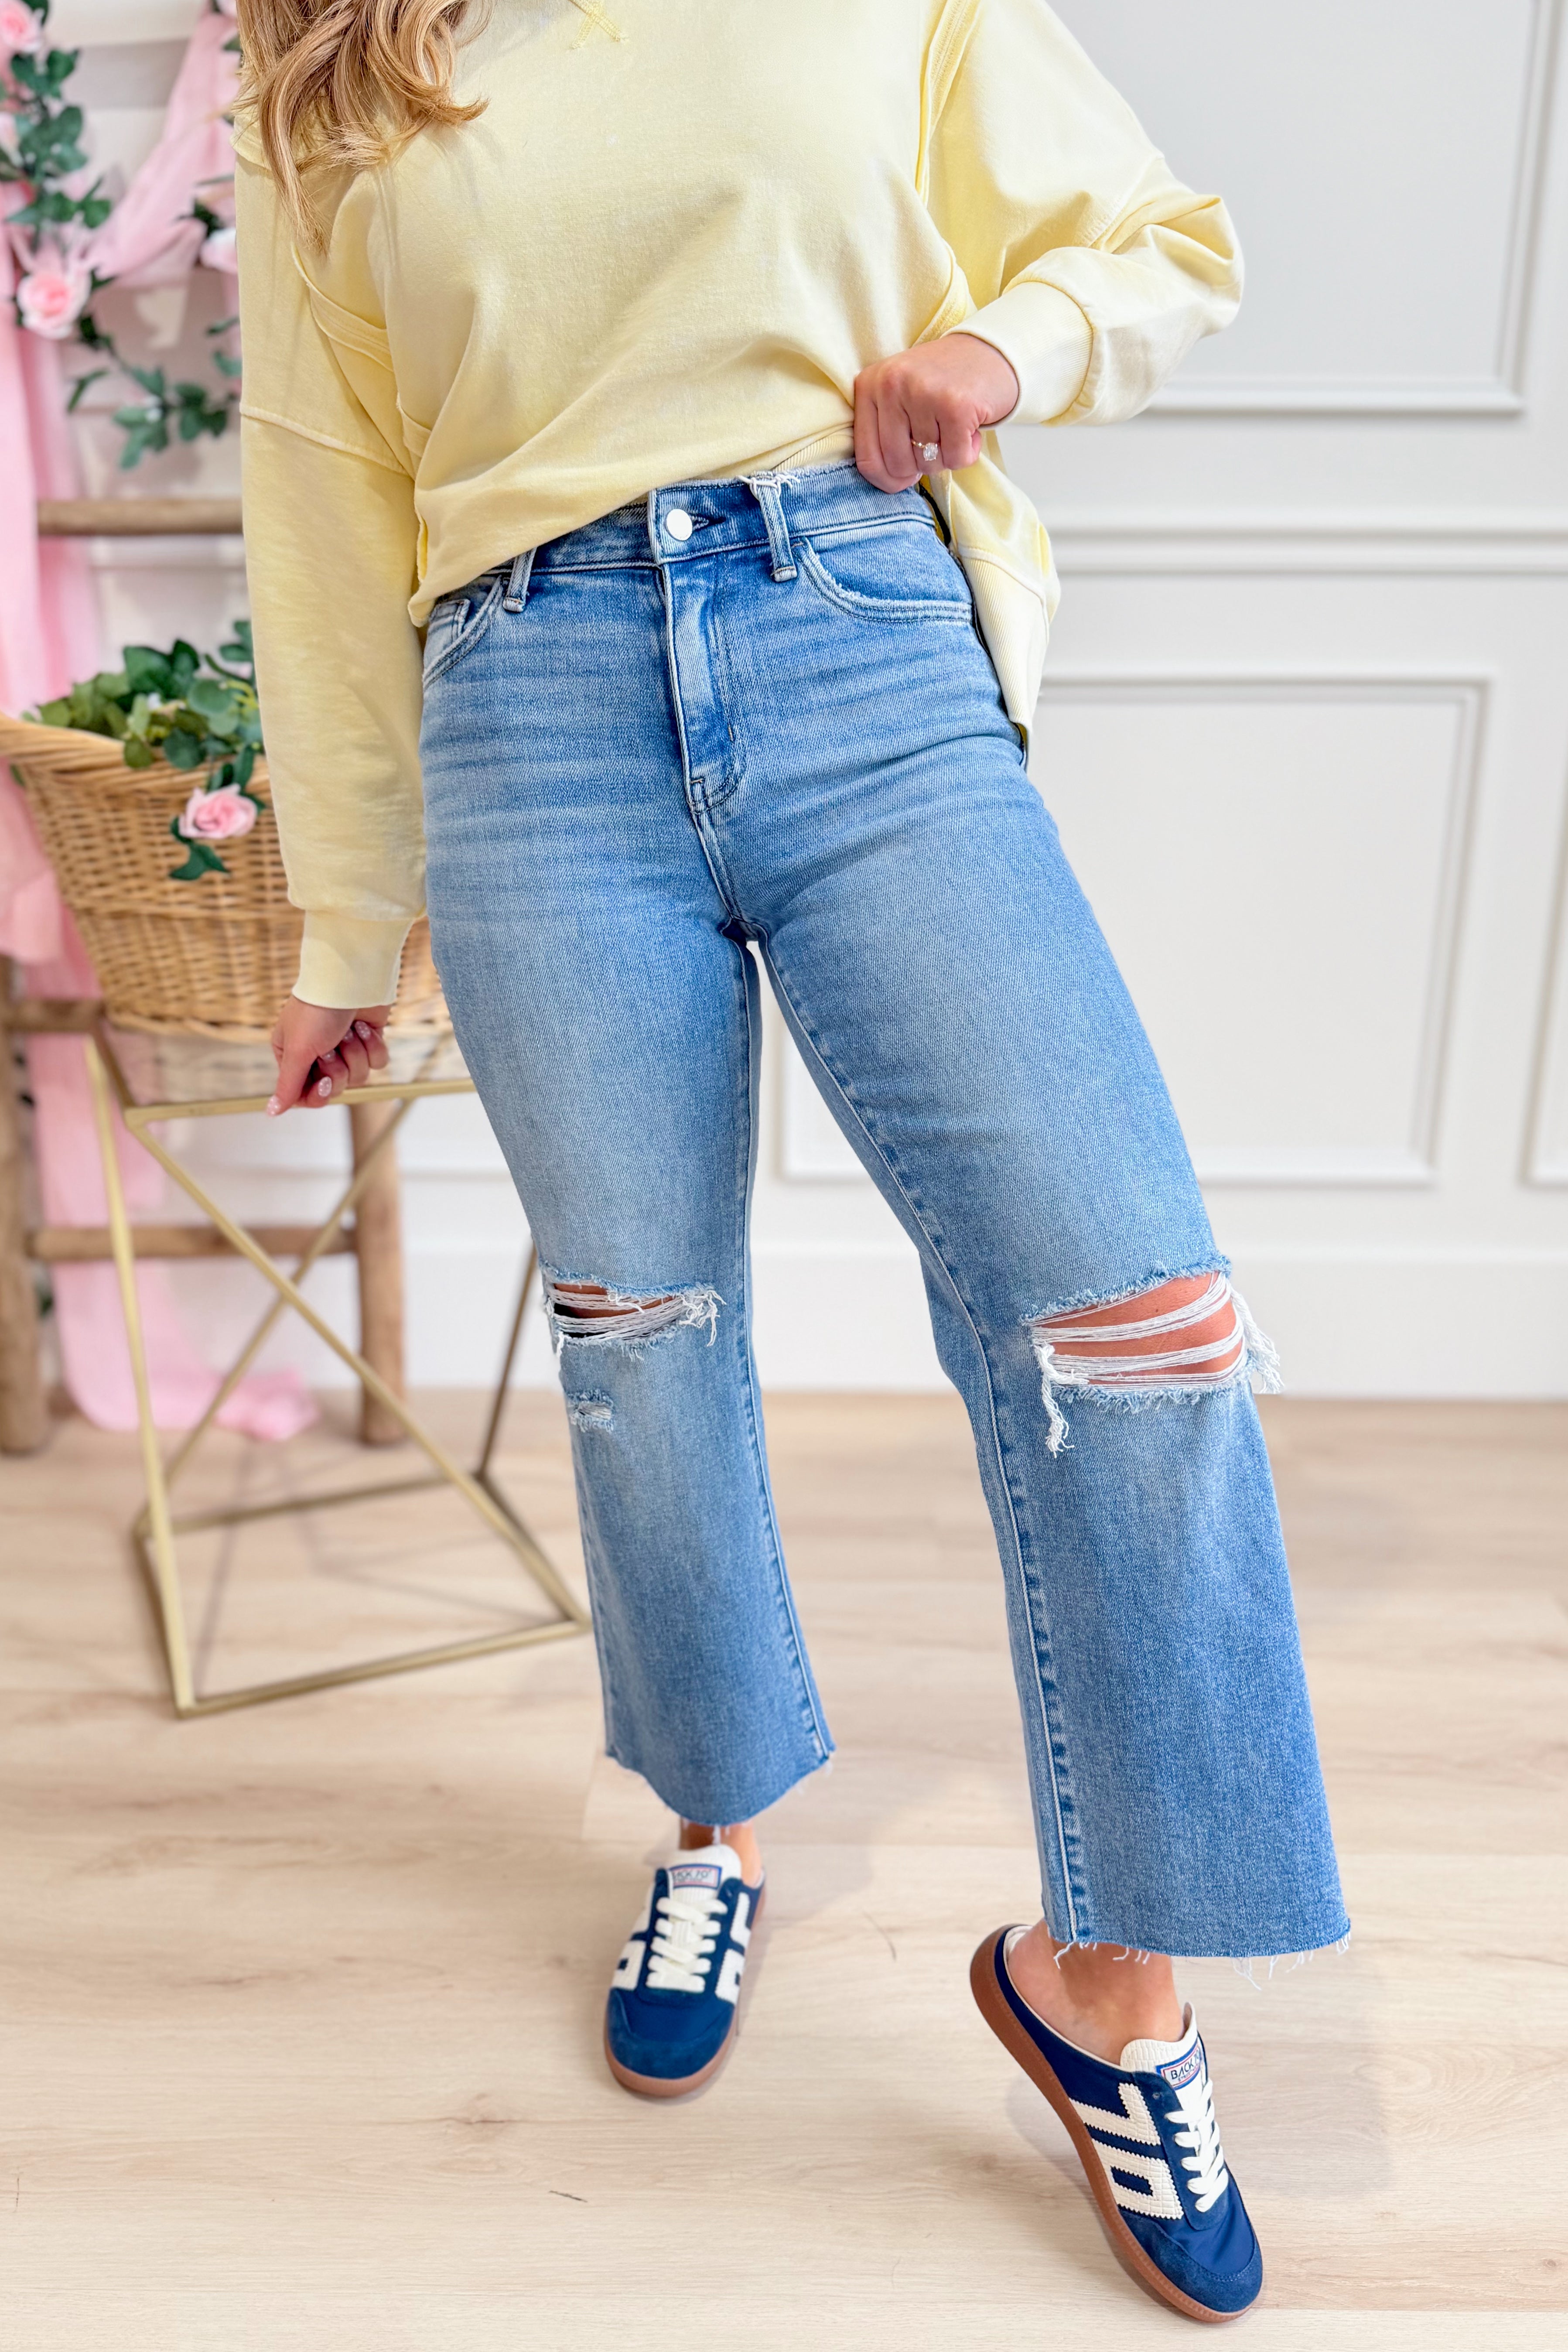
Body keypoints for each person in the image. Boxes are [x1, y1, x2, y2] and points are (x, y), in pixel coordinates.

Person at [237, 0, 1346, 2321]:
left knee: (1140, 1321)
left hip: (857, 643)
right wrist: (344, 919)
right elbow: (322, 502)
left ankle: (1111, 1988)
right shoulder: (339, 59)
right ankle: (715, 1824)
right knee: (640, 1328)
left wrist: (1004, 345)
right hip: (521, 704)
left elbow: (1164, 239)